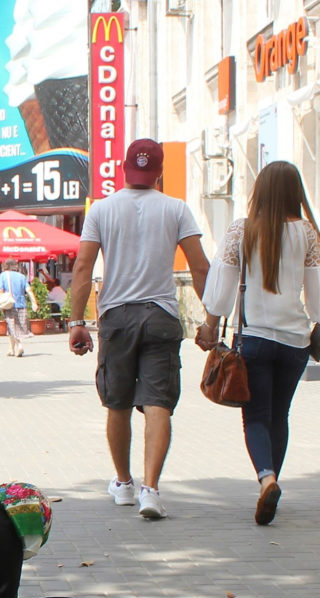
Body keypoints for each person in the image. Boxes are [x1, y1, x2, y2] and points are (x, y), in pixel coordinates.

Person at [68, 138, 210, 520]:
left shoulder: (101, 209)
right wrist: (212, 318)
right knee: (157, 403)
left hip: (116, 317)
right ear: (159, 171)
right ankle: (151, 490)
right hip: (161, 315)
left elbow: (83, 267)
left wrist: (77, 322)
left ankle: (123, 484)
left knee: (117, 403)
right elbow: (200, 266)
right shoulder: (177, 208)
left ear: (124, 168)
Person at [195, 161, 320, 525]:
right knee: (280, 415)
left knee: (255, 416)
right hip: (294, 342)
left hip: (254, 339)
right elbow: (319, 288)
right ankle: (272, 480)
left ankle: (267, 479)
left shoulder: (241, 231)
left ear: (259, 190)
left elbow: (223, 283)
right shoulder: (308, 234)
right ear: (295, 192)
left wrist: (210, 324)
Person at [0, 259, 39, 358]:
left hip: (10, 304)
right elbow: (29, 290)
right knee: (15, 327)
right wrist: (34, 303)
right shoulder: (22, 277)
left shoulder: (3, 275)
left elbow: (0, 291)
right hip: (22, 305)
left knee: (12, 326)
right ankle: (11, 349)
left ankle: (19, 346)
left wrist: (0, 304)